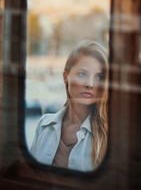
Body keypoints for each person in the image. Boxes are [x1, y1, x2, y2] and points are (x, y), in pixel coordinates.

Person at [30, 40, 109, 172]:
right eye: (82, 74)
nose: (90, 84)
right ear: (66, 76)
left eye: (99, 77)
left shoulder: (107, 136)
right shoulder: (44, 126)